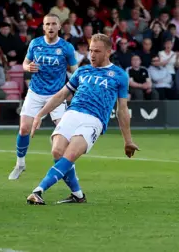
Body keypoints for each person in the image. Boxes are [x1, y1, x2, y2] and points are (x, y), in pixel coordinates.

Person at [26, 33, 138, 205]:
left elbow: (122, 109)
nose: (92, 55)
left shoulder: (119, 75)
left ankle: (38, 191)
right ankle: (78, 195)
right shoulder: (82, 70)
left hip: (94, 120)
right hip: (72, 113)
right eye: (91, 51)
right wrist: (40, 114)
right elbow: (61, 95)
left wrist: (127, 140)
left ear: (108, 52)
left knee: (70, 154)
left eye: (97, 51)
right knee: (57, 152)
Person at [8, 14, 78, 181]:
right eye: (47, 24)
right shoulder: (35, 43)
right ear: (43, 27)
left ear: (59, 27)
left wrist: (80, 87)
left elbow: (75, 71)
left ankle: (68, 168)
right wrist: (28, 67)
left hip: (57, 95)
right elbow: (25, 63)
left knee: (63, 133)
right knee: (24, 128)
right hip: (35, 92)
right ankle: (20, 164)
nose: (51, 27)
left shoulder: (66, 47)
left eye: (54, 24)